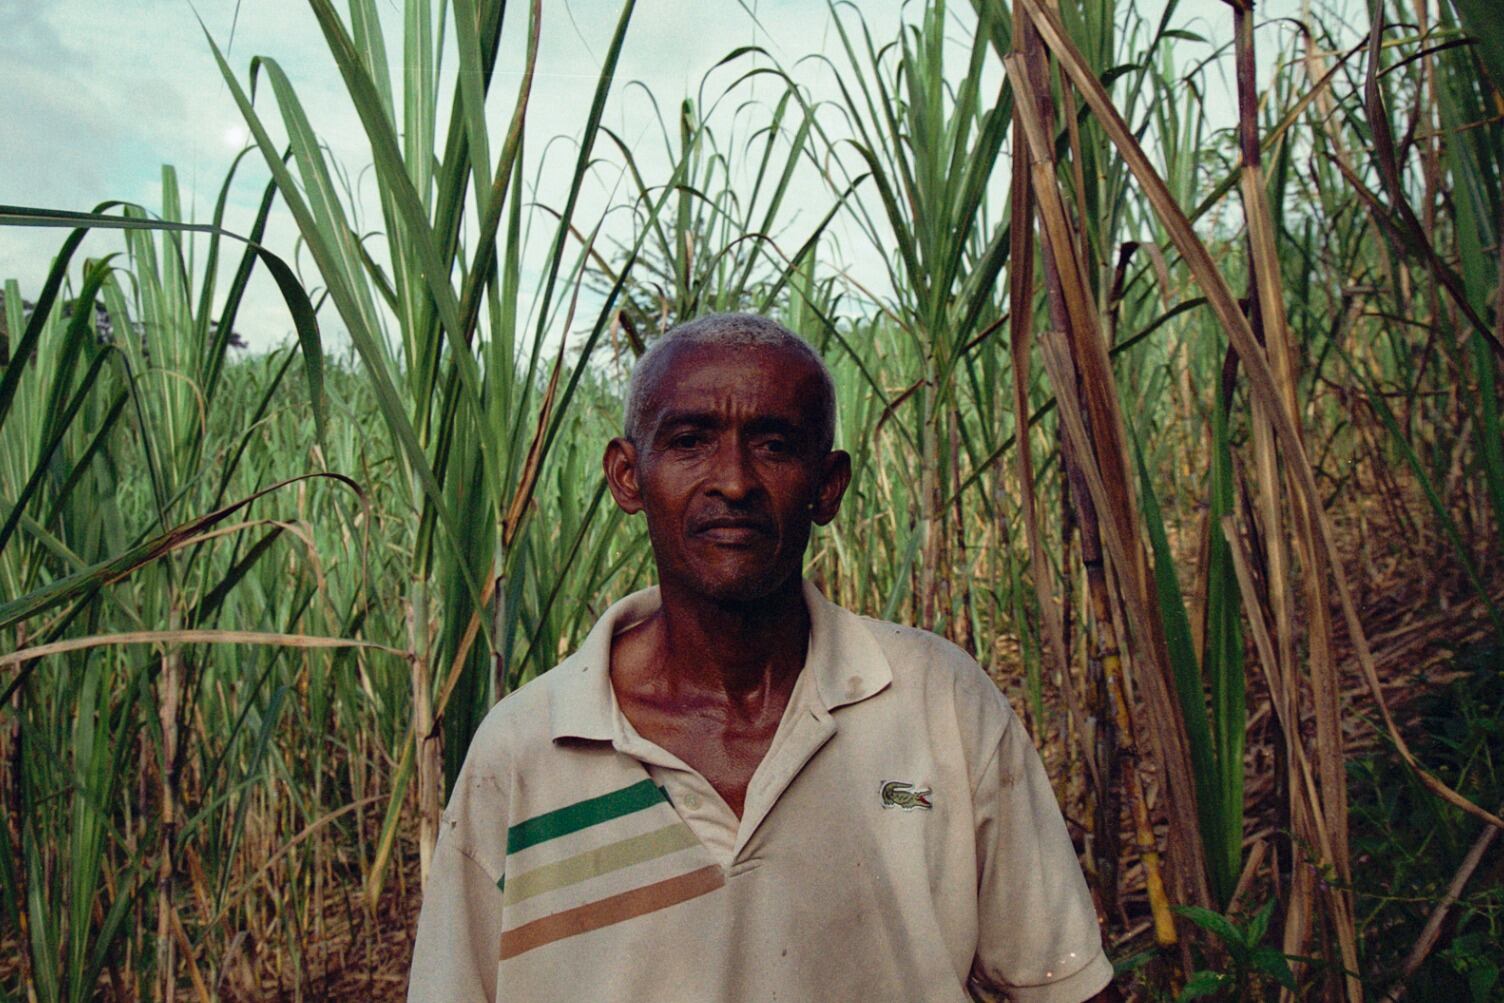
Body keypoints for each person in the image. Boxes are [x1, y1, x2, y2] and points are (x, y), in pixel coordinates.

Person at [408, 313, 1113, 1002]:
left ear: (828, 485)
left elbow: (1064, 982)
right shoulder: (526, 750)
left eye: (774, 445)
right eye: (690, 441)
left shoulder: (939, 703)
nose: (735, 482)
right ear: (627, 476)